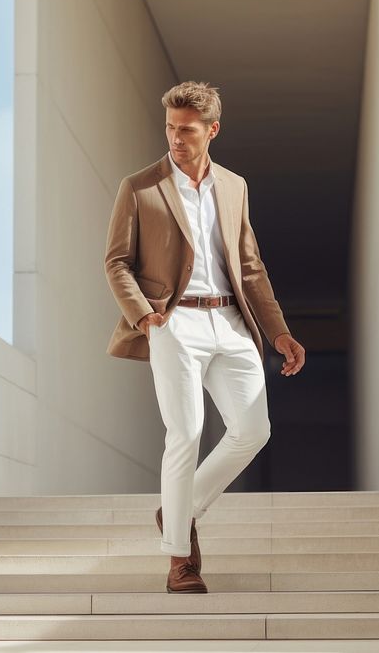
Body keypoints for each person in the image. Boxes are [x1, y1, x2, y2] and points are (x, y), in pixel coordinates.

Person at [103, 80, 306, 593]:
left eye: (187, 130)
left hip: (232, 323)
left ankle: (177, 510)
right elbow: (117, 262)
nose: (176, 138)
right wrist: (146, 317)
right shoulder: (140, 186)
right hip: (174, 323)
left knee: (253, 430)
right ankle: (180, 559)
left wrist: (278, 331)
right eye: (170, 128)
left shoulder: (234, 186)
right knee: (186, 433)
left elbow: (250, 266)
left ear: (212, 130)